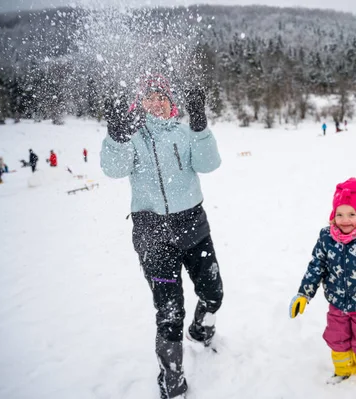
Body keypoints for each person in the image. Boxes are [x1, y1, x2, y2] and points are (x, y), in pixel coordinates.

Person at [100, 73, 223, 399]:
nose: (156, 103)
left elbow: (210, 164)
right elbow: (113, 169)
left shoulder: (185, 134)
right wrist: (116, 136)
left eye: (162, 98)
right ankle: (172, 381)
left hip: (193, 227)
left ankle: (201, 328)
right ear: (138, 104)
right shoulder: (133, 136)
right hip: (153, 235)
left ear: (172, 105)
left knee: (214, 294)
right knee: (169, 312)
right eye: (149, 98)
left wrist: (199, 126)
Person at [289, 177, 356, 399]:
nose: (345, 220)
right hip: (337, 304)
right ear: (332, 216)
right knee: (337, 340)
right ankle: (344, 370)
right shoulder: (327, 237)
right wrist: (304, 293)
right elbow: (316, 266)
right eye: (339, 214)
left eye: (351, 215)